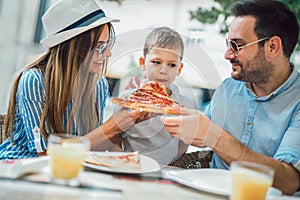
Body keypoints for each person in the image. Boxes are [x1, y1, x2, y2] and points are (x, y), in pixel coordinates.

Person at [161, 0, 299, 195]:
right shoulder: (228, 88)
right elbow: (200, 136)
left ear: (273, 47)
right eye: (228, 44)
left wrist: (215, 136)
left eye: (237, 45)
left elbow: (289, 181)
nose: (227, 54)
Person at [0, 0, 149, 160]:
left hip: (70, 170)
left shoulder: (98, 85)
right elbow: (46, 155)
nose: (107, 54)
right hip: (19, 169)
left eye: (107, 45)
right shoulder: (34, 81)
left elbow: (91, 147)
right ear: (73, 47)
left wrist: (127, 122)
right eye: (99, 46)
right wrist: (111, 126)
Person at [115, 27, 196, 165]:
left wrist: (173, 165)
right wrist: (124, 162)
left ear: (179, 69)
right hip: (131, 168)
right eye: (156, 62)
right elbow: (115, 136)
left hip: (168, 171)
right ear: (142, 63)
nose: (163, 70)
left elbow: (184, 144)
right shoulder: (128, 99)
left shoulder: (185, 105)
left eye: (171, 65)